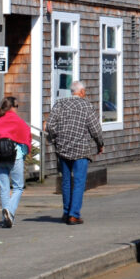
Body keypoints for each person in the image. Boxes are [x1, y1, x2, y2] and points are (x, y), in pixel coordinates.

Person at [46, 80, 103, 225]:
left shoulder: (59, 104)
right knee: (78, 182)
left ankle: (66, 212)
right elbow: (95, 129)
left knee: (66, 181)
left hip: (62, 148)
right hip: (81, 149)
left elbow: (50, 125)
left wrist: (55, 139)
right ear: (82, 92)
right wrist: (100, 144)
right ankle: (74, 214)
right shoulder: (86, 106)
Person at [0, 96, 31, 228]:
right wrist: (22, 154)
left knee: (4, 188)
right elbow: (25, 141)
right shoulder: (19, 122)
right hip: (15, 158)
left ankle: (6, 217)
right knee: (18, 187)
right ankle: (9, 211)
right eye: (17, 107)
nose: (17, 109)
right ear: (12, 107)